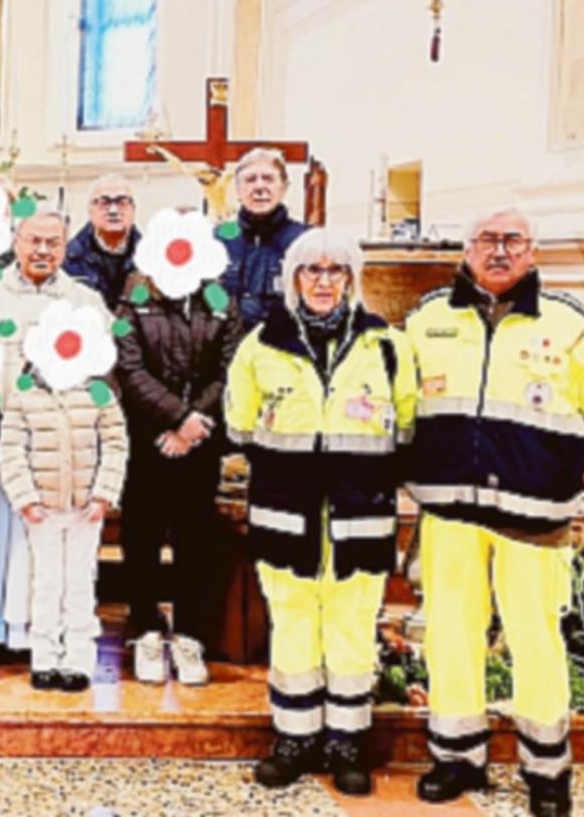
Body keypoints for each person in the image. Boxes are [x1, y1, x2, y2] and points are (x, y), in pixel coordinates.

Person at [406, 208, 584, 817]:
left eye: (512, 241)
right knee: (450, 634)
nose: (498, 251)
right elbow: (402, 404)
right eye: (486, 240)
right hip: (450, 508)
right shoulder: (426, 320)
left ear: (532, 252)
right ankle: (457, 757)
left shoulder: (570, 325)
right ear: (466, 249)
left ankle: (546, 771)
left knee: (535, 639)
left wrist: (549, 467)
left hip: (535, 513)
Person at [224, 227, 417, 797]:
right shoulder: (261, 345)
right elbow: (240, 425)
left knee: (352, 629)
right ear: (293, 279)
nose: (324, 281)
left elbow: (407, 426)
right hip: (285, 514)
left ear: (352, 279)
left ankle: (346, 742)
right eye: (312, 270)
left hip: (361, 517)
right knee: (292, 627)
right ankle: (294, 738)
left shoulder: (386, 345)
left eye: (336, 270)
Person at [0, 209, 109, 655]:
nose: (43, 250)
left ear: (65, 247)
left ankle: (40, 633)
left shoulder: (85, 302)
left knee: (46, 544)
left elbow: (101, 374)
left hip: (57, 448)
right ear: (16, 242)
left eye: (53, 242)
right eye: (34, 241)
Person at [112, 254, 242, 686]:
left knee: (196, 540)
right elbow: (129, 369)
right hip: (145, 439)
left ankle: (190, 635)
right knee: (141, 537)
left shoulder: (220, 299)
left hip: (200, 440)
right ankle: (145, 631)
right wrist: (174, 417)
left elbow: (230, 369)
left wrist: (192, 423)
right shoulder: (134, 299)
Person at [0, 368, 128, 694]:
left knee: (80, 583)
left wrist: (103, 495)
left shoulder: (98, 390)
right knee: (46, 583)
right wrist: (25, 499)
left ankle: (78, 659)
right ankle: (44, 657)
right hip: (42, 509)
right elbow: (11, 449)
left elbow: (115, 443)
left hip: (86, 509)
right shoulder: (24, 391)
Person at [218, 148, 308, 324]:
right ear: (238, 190)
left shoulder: (305, 241)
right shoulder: (219, 239)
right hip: (229, 339)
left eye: (268, 179)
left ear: (284, 188)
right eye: (250, 180)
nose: (259, 187)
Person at [62, 174, 141, 308]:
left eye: (122, 202)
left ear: (133, 210)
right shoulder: (67, 260)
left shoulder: (152, 261)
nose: (113, 211)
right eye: (104, 202)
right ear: (90, 210)